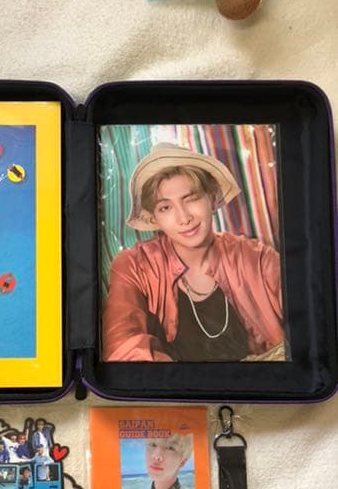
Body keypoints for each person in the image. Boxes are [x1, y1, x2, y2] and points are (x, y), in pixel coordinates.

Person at [102, 143, 285, 362]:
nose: (184, 218)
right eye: (165, 207)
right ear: (155, 218)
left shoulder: (257, 258)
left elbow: (310, 318)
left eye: (191, 198)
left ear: (212, 198)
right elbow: (121, 346)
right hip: (169, 383)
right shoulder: (134, 266)